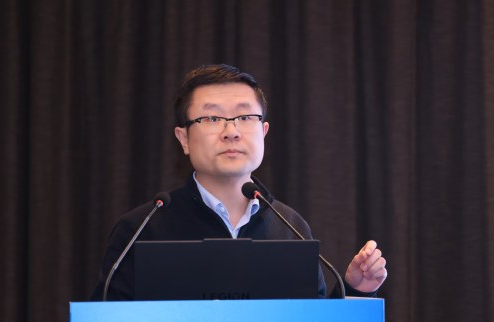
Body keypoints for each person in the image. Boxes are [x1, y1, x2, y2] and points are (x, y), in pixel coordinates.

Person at [92, 64, 387, 301]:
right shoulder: (143, 228)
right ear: (183, 139)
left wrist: (356, 289)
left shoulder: (290, 227)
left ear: (264, 131)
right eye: (211, 118)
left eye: (245, 117)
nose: (231, 131)